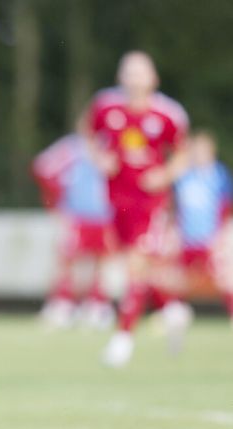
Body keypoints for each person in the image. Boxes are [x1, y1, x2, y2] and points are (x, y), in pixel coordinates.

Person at [88, 51, 189, 368]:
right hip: (118, 202)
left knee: (135, 266)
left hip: (151, 204)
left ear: (153, 78)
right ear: (121, 77)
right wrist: (100, 158)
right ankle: (171, 309)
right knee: (136, 268)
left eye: (140, 73)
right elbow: (90, 136)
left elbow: (182, 155)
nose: (134, 79)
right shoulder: (106, 106)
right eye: (128, 72)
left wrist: (165, 175)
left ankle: (123, 339)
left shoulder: (168, 114)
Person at [32, 127, 115, 329]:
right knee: (68, 261)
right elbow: (43, 167)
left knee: (100, 262)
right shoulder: (71, 148)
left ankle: (96, 304)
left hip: (106, 215)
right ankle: (63, 303)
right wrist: (55, 200)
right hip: (75, 215)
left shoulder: (111, 147)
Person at [169, 130, 233, 328]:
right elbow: (173, 205)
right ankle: (174, 312)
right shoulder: (184, 176)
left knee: (222, 278)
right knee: (180, 278)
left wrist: (222, 236)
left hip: (210, 238)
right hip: (187, 237)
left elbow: (226, 207)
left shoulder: (219, 175)